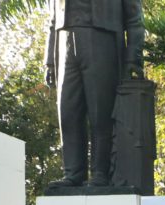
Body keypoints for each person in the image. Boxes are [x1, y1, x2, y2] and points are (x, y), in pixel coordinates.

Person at [45, 0, 143, 189]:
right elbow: (52, 19)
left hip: (101, 38)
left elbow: (134, 17)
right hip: (64, 39)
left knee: (101, 112)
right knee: (68, 113)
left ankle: (100, 172)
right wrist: (49, 60)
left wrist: (133, 57)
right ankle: (73, 173)